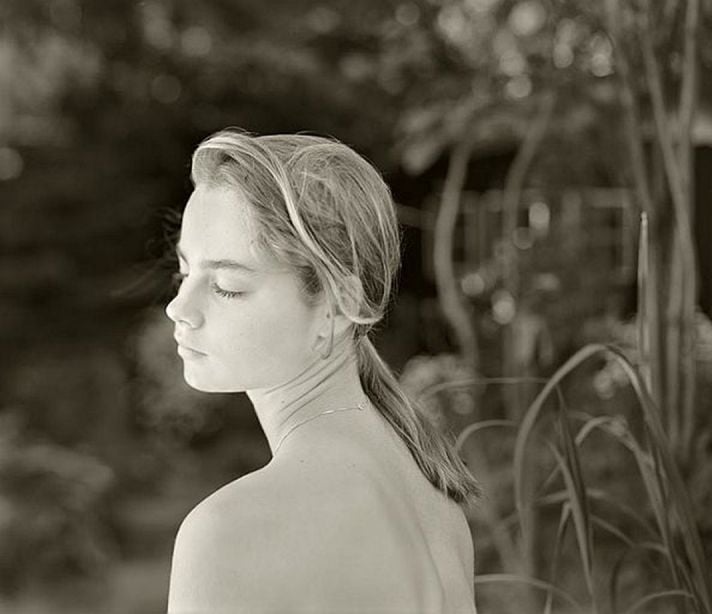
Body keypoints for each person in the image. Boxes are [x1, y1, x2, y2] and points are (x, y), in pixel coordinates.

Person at [164, 128, 482, 613]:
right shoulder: (437, 507)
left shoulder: (230, 531)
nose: (179, 307)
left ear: (336, 307)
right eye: (186, 273)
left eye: (226, 285)